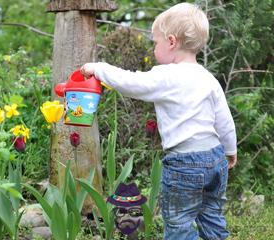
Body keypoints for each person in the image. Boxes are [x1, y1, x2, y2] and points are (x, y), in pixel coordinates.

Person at [80, 2, 237, 240]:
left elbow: (130, 83)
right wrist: (230, 149)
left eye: (156, 42)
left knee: (179, 225)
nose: (154, 47)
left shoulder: (166, 76)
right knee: (212, 216)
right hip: (215, 158)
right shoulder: (207, 78)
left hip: (185, 164)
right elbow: (224, 119)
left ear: (172, 42)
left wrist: (98, 68)